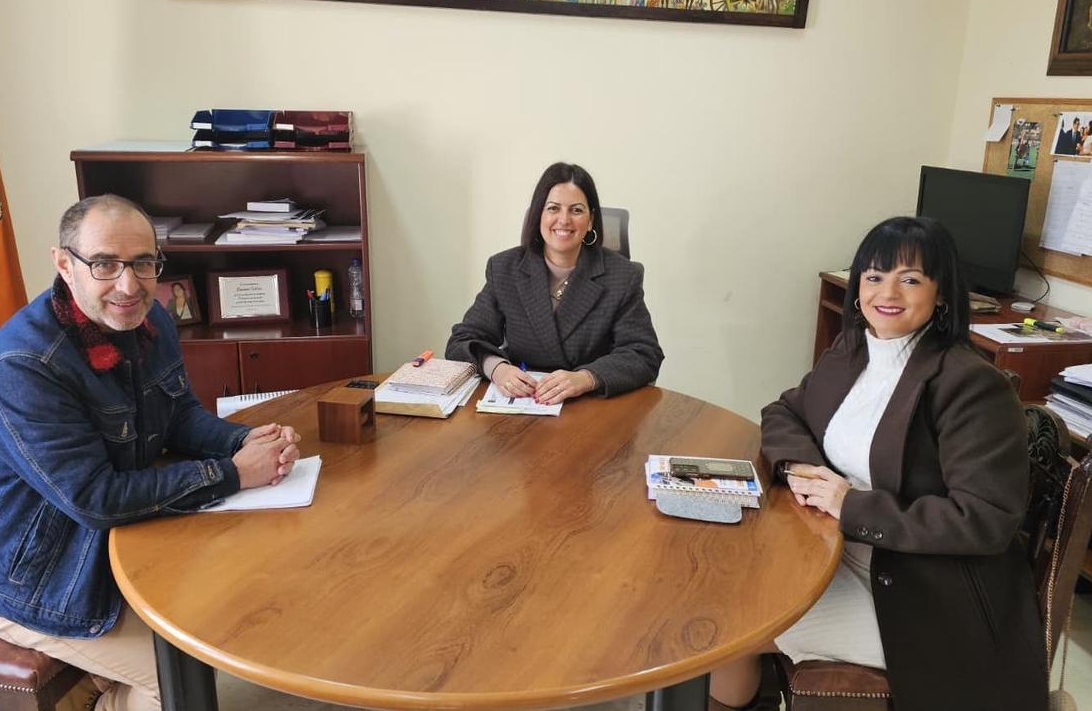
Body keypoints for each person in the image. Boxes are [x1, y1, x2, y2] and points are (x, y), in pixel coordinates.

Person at [0, 194, 302, 710]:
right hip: (39, 578)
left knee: (246, 613)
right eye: (104, 264)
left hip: (120, 545)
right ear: (64, 264)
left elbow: (179, 414)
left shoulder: (150, 318)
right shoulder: (24, 365)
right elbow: (95, 500)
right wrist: (231, 474)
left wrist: (243, 441)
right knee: (195, 676)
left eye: (143, 262)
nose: (128, 284)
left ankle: (104, 682)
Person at [708, 216, 1046, 710]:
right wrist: (801, 468)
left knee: (722, 624)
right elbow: (784, 410)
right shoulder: (853, 349)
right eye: (873, 276)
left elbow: (984, 519)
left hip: (922, 601)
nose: (887, 292)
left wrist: (850, 505)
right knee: (711, 590)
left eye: (910, 279)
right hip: (833, 554)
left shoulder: (970, 385)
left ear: (941, 294)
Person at [445, 162, 663, 404]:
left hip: (590, 406)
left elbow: (644, 353)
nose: (564, 220)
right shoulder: (504, 268)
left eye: (576, 210)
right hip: (523, 402)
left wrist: (586, 378)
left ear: (591, 220)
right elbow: (462, 340)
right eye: (553, 208)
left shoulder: (622, 276)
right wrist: (497, 369)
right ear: (539, 215)